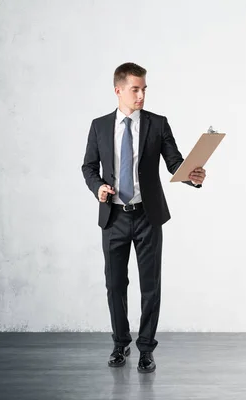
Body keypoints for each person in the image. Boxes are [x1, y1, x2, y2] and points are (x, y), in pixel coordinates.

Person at [81, 62, 206, 373]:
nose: (141, 95)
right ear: (118, 90)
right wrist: (98, 188)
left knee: (150, 285)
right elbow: (88, 167)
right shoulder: (99, 126)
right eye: (135, 89)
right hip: (114, 217)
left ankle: (147, 349)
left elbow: (175, 163)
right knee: (115, 284)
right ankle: (120, 344)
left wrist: (194, 175)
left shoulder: (157, 124)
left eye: (144, 89)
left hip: (148, 216)